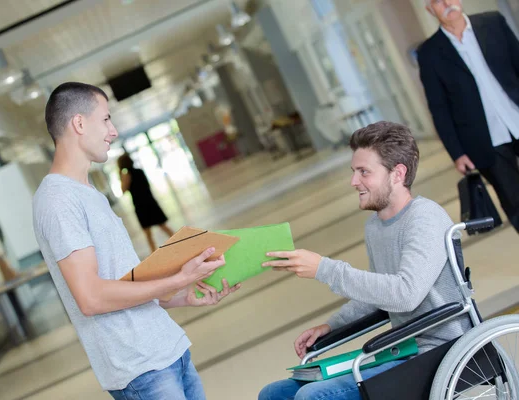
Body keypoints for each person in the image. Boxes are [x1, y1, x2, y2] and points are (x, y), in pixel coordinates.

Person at [32, 82, 241, 399]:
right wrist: (177, 279)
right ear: (78, 123)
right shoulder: (58, 200)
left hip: (168, 351)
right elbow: (91, 298)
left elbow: (122, 282)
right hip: (140, 370)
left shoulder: (87, 193)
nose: (112, 131)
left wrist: (182, 294)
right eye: (105, 119)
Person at [258, 121, 471, 400]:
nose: (353, 181)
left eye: (364, 172)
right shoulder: (376, 225)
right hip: (402, 348)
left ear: (397, 174)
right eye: (354, 172)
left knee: (312, 397)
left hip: (440, 350)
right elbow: (378, 293)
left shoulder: (424, 219)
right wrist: (332, 325)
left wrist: (325, 269)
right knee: (274, 394)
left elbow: (405, 295)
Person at [417, 0, 519, 233]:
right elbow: (439, 108)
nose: (446, 4)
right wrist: (457, 152)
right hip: (483, 141)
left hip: (516, 117)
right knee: (514, 200)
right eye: (437, 2)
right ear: (430, 9)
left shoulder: (493, 23)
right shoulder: (430, 53)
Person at [117, 153, 174, 253]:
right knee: (163, 226)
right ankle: (180, 240)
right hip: (150, 202)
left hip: (140, 206)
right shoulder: (140, 171)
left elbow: (123, 190)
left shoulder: (126, 175)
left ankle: (154, 252)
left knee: (148, 233)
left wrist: (121, 175)